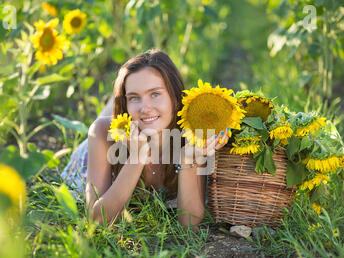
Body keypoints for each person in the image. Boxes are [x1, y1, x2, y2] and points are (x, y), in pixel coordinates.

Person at [61, 49, 230, 227]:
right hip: (92, 155)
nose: (145, 107)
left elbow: (190, 223)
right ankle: (114, 102)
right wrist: (136, 158)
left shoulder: (191, 134)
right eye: (134, 98)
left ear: (175, 97)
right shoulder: (103, 132)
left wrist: (187, 159)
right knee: (102, 122)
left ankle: (117, 100)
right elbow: (97, 220)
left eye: (155, 94)